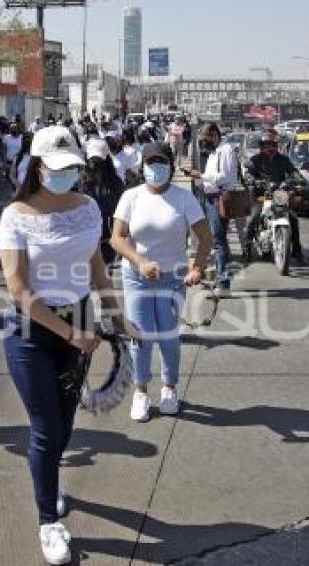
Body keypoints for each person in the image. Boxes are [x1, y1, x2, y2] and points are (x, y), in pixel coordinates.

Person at [0, 125, 136, 565]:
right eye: (56, 169)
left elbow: (97, 267)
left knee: (66, 420)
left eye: (71, 168)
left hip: (79, 317)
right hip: (30, 329)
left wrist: (116, 316)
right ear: (37, 167)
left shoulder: (88, 206)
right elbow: (17, 288)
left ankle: (50, 481)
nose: (65, 175)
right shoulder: (15, 214)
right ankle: (48, 522)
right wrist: (69, 333)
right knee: (45, 425)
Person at [111, 143, 213, 422]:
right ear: (142, 166)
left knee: (169, 336)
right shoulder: (130, 197)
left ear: (170, 165)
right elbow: (117, 238)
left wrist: (197, 267)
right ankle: (141, 391)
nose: (156, 168)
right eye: (150, 163)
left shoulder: (184, 198)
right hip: (137, 277)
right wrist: (140, 262)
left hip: (173, 279)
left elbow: (205, 238)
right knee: (140, 336)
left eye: (161, 162)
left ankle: (169, 388)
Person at [187, 123, 239, 297]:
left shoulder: (226, 151)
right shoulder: (214, 152)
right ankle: (220, 278)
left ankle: (224, 284)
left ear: (215, 135)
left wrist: (199, 175)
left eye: (205, 139)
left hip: (219, 199)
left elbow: (224, 177)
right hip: (210, 198)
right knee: (215, 240)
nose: (204, 144)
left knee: (218, 241)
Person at [244, 129, 305, 264]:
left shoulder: (283, 159)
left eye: (273, 144)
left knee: (293, 218)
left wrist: (297, 179)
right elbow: (248, 173)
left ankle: (297, 251)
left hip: (279, 194)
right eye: (267, 145)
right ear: (262, 146)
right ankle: (247, 245)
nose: (270, 147)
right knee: (254, 217)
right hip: (261, 194)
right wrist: (252, 180)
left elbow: (293, 172)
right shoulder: (255, 160)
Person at [83, 138, 126, 265]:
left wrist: (119, 240)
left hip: (106, 241)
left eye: (99, 159)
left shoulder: (116, 183)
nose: (95, 163)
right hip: (84, 240)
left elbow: (119, 215)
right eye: (92, 159)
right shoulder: (80, 182)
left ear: (106, 158)